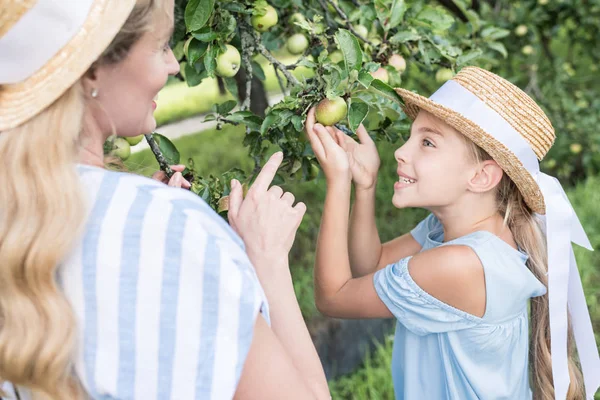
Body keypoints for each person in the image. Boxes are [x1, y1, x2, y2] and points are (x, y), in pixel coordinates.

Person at [0, 1, 330, 399]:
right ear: (90, 69)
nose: (174, 66)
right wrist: (267, 259)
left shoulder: (16, 208)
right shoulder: (165, 226)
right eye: (160, 47)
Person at [304, 66, 600, 399]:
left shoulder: (461, 264)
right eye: (411, 136)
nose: (401, 152)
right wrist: (366, 185)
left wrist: (338, 183)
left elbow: (333, 297)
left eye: (427, 142)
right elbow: (372, 264)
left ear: (481, 177)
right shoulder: (468, 230)